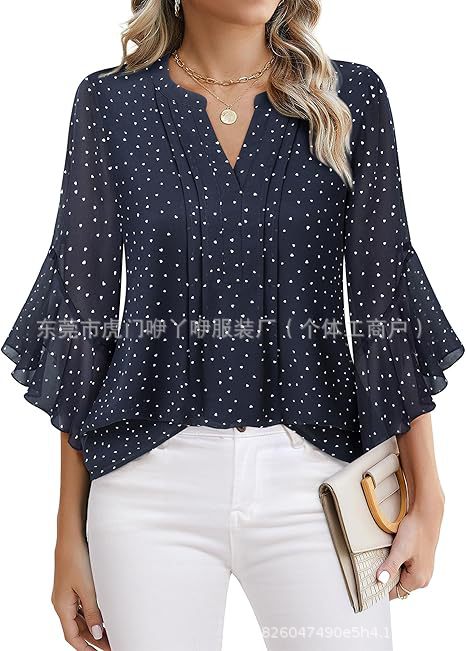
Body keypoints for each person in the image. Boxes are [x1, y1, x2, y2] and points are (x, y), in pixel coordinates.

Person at [2, 1, 463, 650]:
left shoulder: (350, 96)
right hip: (146, 492)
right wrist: (67, 534)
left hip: (322, 484)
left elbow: (383, 300)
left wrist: (427, 495)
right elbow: (82, 324)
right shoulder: (110, 105)